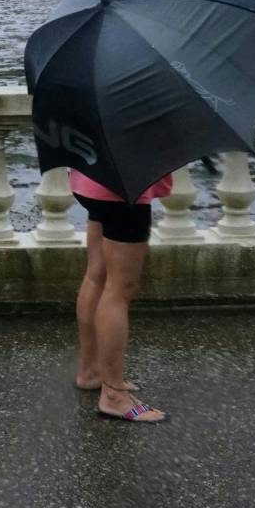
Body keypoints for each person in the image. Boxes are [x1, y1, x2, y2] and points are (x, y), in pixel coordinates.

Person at [71, 168, 173, 423]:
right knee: (120, 289)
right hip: (126, 188)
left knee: (97, 275)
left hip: (91, 179)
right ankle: (114, 395)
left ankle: (91, 372)